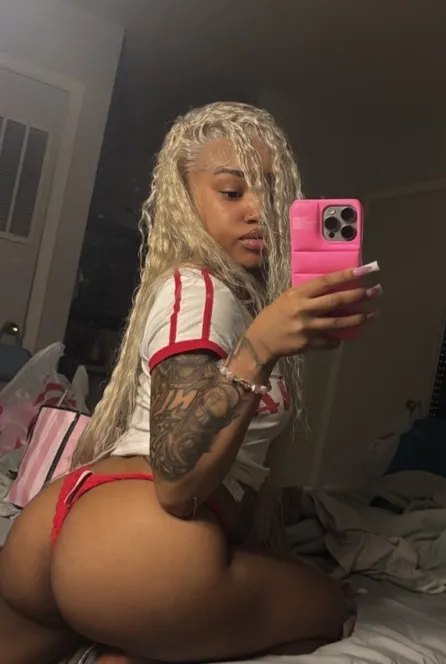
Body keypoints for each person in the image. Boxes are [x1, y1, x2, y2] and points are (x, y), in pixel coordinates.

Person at [0, 102, 381, 664]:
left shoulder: (208, 294)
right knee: (333, 606)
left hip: (56, 530)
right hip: (140, 546)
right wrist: (260, 349)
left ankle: (130, 639)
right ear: (185, 198)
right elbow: (177, 485)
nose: (258, 210)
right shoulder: (201, 292)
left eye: (270, 193)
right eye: (232, 192)